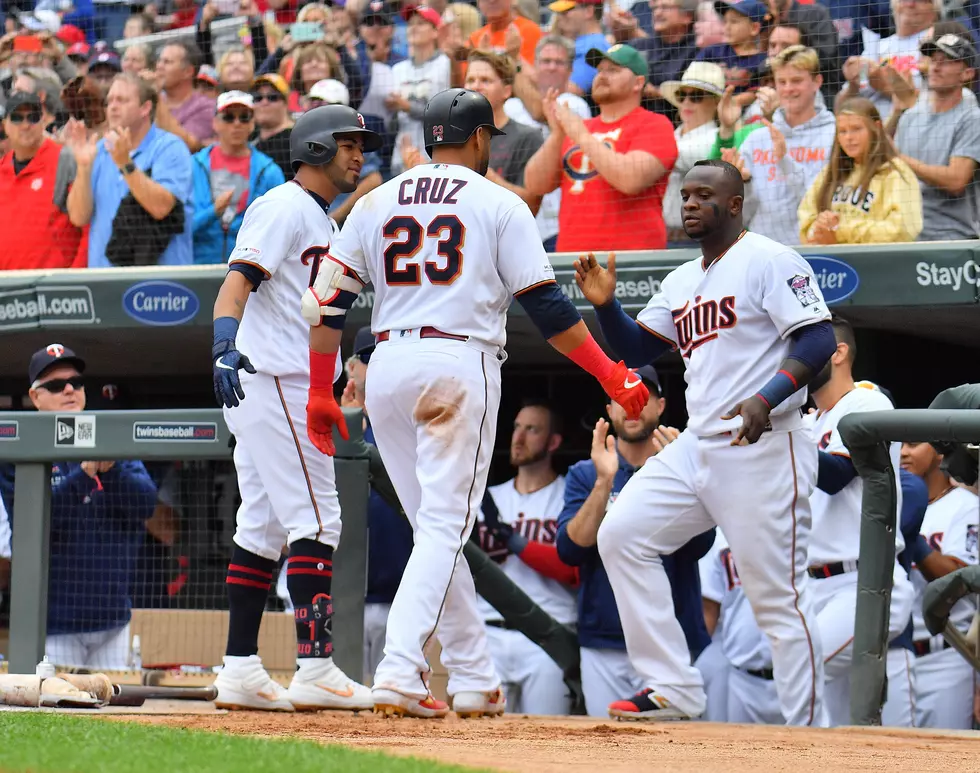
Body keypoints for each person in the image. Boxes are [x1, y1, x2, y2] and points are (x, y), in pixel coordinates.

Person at [299, 87, 649, 719]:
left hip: (387, 365)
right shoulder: (498, 202)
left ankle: (471, 676)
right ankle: (401, 669)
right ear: (481, 138)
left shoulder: (373, 200)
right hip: (458, 364)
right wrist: (608, 371)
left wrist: (323, 388)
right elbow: (545, 307)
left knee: (435, 528)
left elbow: (326, 307)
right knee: (443, 526)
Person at [573, 158, 837, 724]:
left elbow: (817, 340)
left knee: (779, 601)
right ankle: (673, 686)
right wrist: (604, 305)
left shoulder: (769, 258)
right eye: (685, 195)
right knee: (621, 534)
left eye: (703, 196)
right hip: (699, 444)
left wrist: (768, 396)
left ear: (735, 204)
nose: (689, 204)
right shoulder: (681, 279)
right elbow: (638, 350)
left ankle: (810, 735)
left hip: (765, 446)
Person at [209, 105, 384, 712]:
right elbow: (238, 280)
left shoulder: (314, 215)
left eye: (361, 144)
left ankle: (239, 667)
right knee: (319, 521)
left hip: (271, 385)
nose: (358, 153)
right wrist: (222, 343)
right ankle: (315, 667)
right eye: (346, 143)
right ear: (312, 147)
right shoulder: (283, 205)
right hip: (276, 380)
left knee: (260, 526)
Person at [556, 367, 714, 718]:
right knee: (609, 753)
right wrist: (604, 482)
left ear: (660, 406)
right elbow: (570, 550)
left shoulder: (682, 465)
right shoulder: (586, 472)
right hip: (606, 643)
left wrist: (691, 478)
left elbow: (699, 546)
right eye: (622, 398)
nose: (632, 407)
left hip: (677, 640)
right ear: (609, 409)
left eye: (641, 398)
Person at [0, 344, 157, 669]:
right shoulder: (21, 449)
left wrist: (110, 470)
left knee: (113, 714)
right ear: (36, 396)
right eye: (56, 385)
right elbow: (31, 528)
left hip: (113, 619)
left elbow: (144, 505)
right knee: (59, 711)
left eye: (76, 383)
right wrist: (84, 476)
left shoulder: (109, 436)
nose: (69, 389)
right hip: (54, 624)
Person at [803, 319, 916, 727]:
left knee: (802, 671)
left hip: (863, 582)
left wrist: (780, 435)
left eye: (807, 347)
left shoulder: (865, 402)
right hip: (816, 585)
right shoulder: (810, 421)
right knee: (839, 731)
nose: (795, 359)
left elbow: (835, 477)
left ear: (839, 353)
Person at [473, 400, 577, 715]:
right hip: (488, 632)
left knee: (545, 744)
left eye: (532, 430)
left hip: (547, 634)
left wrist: (512, 539)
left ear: (553, 441)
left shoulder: (568, 498)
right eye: (517, 427)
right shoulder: (487, 498)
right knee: (479, 745)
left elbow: (572, 567)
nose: (518, 438)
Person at [524, 44, 678, 253]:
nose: (602, 76)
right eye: (600, 70)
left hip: (632, 263)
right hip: (572, 261)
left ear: (638, 83)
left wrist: (579, 135)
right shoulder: (579, 127)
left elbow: (630, 180)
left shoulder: (655, 124)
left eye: (613, 70)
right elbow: (535, 184)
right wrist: (559, 133)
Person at [339, 327, 415, 683]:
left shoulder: (409, 424)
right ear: (352, 368)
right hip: (342, 598)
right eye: (370, 360)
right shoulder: (332, 423)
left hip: (401, 598)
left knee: (393, 698)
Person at [64, 73, 194, 268]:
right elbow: (78, 217)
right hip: (106, 281)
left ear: (145, 108)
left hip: (162, 287)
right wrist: (83, 167)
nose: (113, 107)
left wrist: (126, 164)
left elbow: (161, 208)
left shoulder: (170, 148)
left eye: (122, 100)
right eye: (109, 101)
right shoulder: (99, 150)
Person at [900, 438, 979, 729]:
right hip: (894, 655)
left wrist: (913, 541)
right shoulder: (889, 503)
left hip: (945, 657)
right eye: (900, 445)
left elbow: (961, 576)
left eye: (914, 443)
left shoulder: (966, 507)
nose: (904, 452)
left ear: (940, 452)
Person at [725, 45, 835, 245]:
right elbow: (744, 216)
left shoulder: (834, 135)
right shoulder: (757, 139)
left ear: (817, 82)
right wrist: (744, 183)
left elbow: (819, 203)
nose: (788, 89)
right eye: (781, 82)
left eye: (796, 81)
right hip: (762, 252)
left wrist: (784, 159)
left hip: (813, 250)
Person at [504, 35, 591, 250]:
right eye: (546, 61)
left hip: (559, 224)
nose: (552, 67)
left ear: (570, 71)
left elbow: (540, 111)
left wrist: (513, 63)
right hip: (515, 220)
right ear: (534, 66)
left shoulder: (575, 104)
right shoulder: (511, 106)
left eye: (559, 62)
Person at [798, 97, 921, 245]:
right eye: (842, 131)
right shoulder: (829, 173)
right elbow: (806, 220)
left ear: (876, 127)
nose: (849, 137)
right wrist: (820, 229)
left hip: (878, 263)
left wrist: (840, 231)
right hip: (831, 264)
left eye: (856, 129)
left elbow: (903, 229)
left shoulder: (895, 172)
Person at [895, 33, 980, 242]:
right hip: (904, 236)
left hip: (952, 238)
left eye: (946, 61)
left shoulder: (972, 119)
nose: (935, 67)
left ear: (967, 73)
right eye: (933, 60)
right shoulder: (909, 117)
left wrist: (898, 158)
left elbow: (956, 180)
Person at [191, 91, 285, 265]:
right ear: (215, 123)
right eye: (228, 117)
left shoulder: (270, 171)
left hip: (251, 271)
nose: (237, 124)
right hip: (199, 267)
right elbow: (183, 229)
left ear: (252, 124)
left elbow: (280, 230)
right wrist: (213, 212)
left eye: (244, 117)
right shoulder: (193, 166)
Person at [0, 90, 86, 269]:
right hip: (7, 288)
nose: (25, 125)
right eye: (17, 118)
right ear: (5, 126)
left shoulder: (66, 160)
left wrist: (76, 280)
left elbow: (87, 227)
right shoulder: (2, 168)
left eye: (33, 117)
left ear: (43, 122)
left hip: (53, 290)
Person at [464, 49, 543, 212]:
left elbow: (531, 205)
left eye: (485, 80)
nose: (476, 86)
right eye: (471, 80)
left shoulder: (528, 137)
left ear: (507, 91)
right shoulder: (454, 137)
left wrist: (485, 174)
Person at [659, 62, 723, 244]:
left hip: (695, 239)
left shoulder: (716, 139)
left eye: (696, 96)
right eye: (682, 95)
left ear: (716, 102)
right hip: (660, 236)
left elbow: (668, 155)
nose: (686, 102)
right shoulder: (670, 135)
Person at [388, 5, 451, 175]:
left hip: (434, 156)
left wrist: (407, 106)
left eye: (421, 23)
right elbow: (391, 124)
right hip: (401, 154)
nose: (413, 27)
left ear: (436, 32)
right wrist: (390, 109)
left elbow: (445, 114)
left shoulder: (446, 64)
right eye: (410, 23)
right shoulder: (397, 69)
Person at [154, 42, 216, 152]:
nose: (159, 66)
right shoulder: (148, 100)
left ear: (188, 72)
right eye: (159, 61)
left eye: (167, 62)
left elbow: (186, 145)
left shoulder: (206, 107)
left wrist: (156, 97)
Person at [545, 0, 607, 95]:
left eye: (566, 11)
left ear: (588, 11)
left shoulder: (594, 45)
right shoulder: (580, 42)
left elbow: (572, 90)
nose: (559, 17)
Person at [252, 74, 295, 181]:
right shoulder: (250, 141)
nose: (264, 102)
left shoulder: (297, 139)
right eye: (258, 98)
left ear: (285, 103)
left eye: (272, 97)